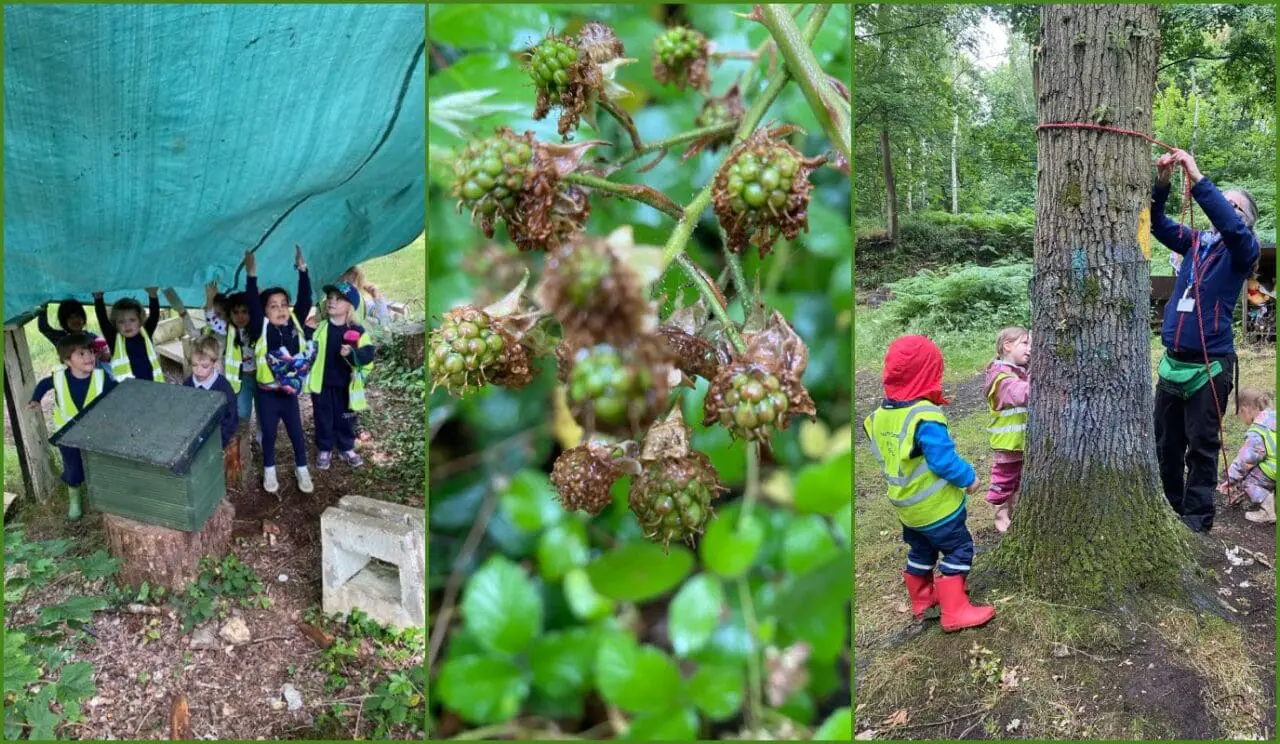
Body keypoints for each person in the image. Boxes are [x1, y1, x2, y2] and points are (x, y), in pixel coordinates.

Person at [1150, 148, 1261, 533]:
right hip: (1172, 362)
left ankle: (1197, 521)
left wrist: (1197, 177)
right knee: (1166, 444)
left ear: (1246, 220)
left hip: (1210, 366)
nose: (1226, 211)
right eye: (1224, 203)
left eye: (1235, 207)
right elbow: (1158, 224)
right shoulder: (1196, 243)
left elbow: (1229, 226)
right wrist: (1163, 183)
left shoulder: (1243, 250)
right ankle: (1170, 510)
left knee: (1201, 448)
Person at [863, 335, 995, 632]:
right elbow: (943, 461)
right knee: (959, 550)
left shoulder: (877, 418)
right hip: (938, 510)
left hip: (906, 509)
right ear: (928, 373)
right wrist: (970, 479)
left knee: (921, 551)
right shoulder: (925, 416)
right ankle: (955, 610)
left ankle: (923, 600)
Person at [244, 247, 316, 495]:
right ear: (265, 312)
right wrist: (251, 275)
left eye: (284, 304)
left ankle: (302, 468)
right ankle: (269, 468)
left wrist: (302, 270)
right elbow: (253, 303)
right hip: (267, 394)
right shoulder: (259, 328)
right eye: (273, 306)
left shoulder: (294, 323)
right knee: (270, 435)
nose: (280, 309)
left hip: (288, 394)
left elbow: (306, 299)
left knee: (297, 433)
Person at [28, 333, 118, 520]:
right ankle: (75, 498)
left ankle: (104, 497)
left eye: (91, 352)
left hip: (96, 433)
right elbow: (44, 384)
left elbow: (117, 393)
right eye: (82, 354)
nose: (89, 357)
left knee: (99, 464)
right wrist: (36, 399)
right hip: (67, 434)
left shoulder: (102, 377)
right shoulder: (59, 378)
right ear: (67, 361)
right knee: (73, 466)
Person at [306, 282, 376, 470]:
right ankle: (325, 447)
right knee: (323, 416)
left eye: (338, 299)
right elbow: (307, 349)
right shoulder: (320, 329)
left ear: (349, 306)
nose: (332, 302)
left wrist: (352, 355)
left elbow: (369, 355)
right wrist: (307, 331)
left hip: (346, 385)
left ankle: (346, 446)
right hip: (323, 384)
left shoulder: (357, 331)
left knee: (347, 417)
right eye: (329, 298)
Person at [984, 327, 1031, 533]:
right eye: (1025, 344)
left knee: (1019, 481)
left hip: (1020, 442)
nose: (1030, 349)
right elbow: (1020, 394)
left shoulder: (1019, 371)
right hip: (1007, 443)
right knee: (1003, 481)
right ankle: (1000, 514)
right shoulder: (1000, 377)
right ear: (1007, 346)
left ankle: (1014, 512)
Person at [1218, 388, 1276, 524]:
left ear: (1245, 409)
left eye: (1239, 415)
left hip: (1274, 468)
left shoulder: (1257, 432)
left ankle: (1268, 512)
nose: (1240, 419)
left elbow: (1246, 460)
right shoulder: (1273, 416)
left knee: (1249, 481)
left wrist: (1230, 478)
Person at [93, 287, 163, 382]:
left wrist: (153, 294)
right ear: (115, 324)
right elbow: (103, 320)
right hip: (127, 390)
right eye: (121, 321)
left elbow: (154, 315)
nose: (127, 325)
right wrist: (98, 298)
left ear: (140, 321)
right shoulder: (114, 339)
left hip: (152, 385)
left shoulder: (145, 333)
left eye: (132, 320)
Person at [182, 336, 238, 450]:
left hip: (216, 441)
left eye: (204, 366)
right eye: (194, 365)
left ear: (215, 363)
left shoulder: (224, 387)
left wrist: (220, 442)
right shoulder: (187, 384)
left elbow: (231, 417)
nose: (198, 370)